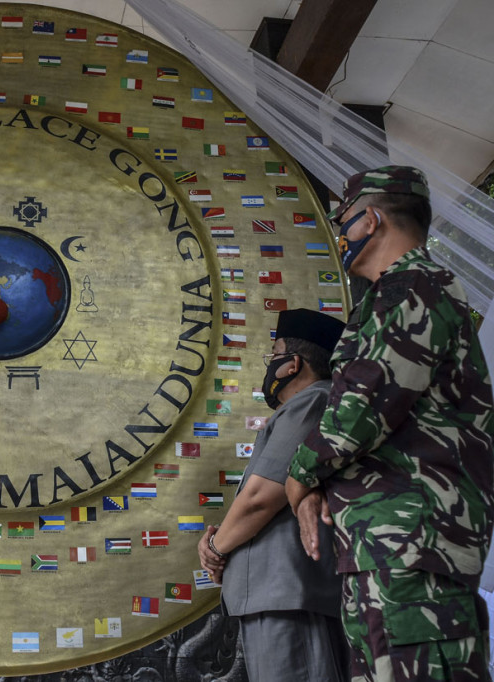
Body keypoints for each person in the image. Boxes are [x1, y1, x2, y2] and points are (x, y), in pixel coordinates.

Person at [285, 166, 494, 681]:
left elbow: (360, 407)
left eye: (343, 221)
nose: (340, 235)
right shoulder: (392, 294)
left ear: (371, 219)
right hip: (385, 547)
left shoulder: (413, 287)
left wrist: (300, 476)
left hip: (412, 548)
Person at [197, 308, 349, 681]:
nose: (271, 366)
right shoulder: (308, 405)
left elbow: (262, 497)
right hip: (277, 594)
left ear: (292, 364)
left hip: (288, 594)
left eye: (274, 355)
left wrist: (216, 548)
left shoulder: (313, 400)